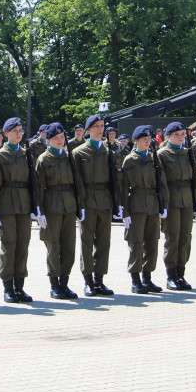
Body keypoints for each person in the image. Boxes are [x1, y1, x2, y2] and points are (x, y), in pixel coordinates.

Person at [0, 117, 35, 303]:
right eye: (14, 130)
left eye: (20, 130)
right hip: (6, 206)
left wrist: (34, 207)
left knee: (23, 246)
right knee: (9, 246)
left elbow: (32, 184)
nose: (18, 133)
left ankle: (20, 287)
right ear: (6, 133)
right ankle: (8, 287)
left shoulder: (26, 155)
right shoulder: (0, 156)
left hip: (23, 206)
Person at [71, 114, 120, 296]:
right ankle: (88, 280)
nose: (100, 129)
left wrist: (117, 203)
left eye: (102, 126)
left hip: (105, 200)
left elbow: (115, 180)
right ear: (88, 130)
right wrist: (80, 205)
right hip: (88, 200)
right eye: (96, 126)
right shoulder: (79, 153)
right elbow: (77, 182)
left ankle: (100, 280)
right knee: (87, 241)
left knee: (103, 242)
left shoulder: (108, 152)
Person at [35, 122, 84, 300]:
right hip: (52, 206)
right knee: (53, 246)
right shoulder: (43, 159)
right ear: (48, 140)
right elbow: (39, 187)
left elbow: (77, 184)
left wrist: (80, 207)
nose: (60, 141)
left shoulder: (69, 157)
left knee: (69, 246)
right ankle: (54, 284)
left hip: (69, 206)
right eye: (55, 138)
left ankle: (65, 282)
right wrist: (39, 211)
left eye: (62, 137)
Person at [120, 125, 168, 293]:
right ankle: (135, 279)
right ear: (136, 141)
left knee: (152, 242)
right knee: (136, 242)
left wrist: (163, 205)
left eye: (149, 140)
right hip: (136, 204)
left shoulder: (154, 159)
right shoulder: (130, 160)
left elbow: (161, 183)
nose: (147, 142)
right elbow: (123, 187)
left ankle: (147, 278)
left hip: (152, 205)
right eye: (144, 140)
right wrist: (125, 211)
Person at [157, 122, 196, 291]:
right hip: (172, 199)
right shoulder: (162, 154)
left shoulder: (187, 153)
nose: (180, 137)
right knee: (172, 237)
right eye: (176, 135)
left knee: (185, 237)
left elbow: (194, 177)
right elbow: (161, 181)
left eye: (182, 134)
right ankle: (171, 275)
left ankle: (181, 273)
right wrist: (163, 203)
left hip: (186, 199)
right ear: (168, 136)